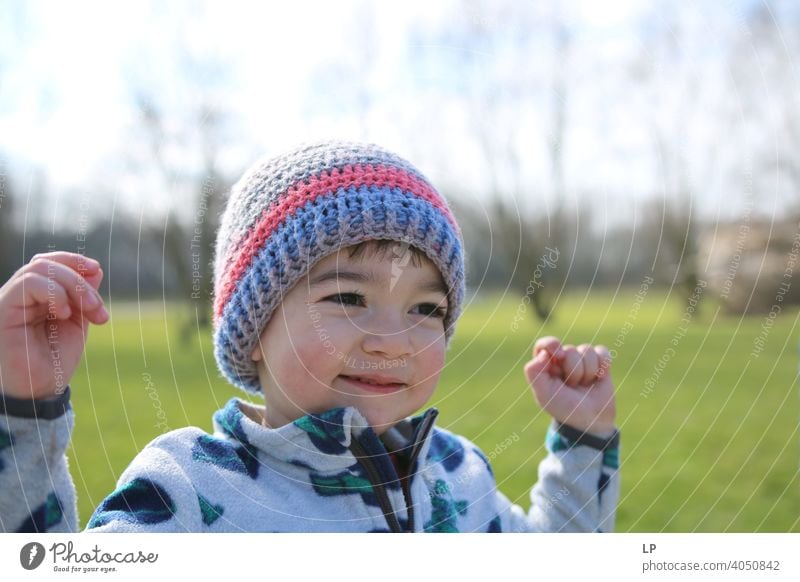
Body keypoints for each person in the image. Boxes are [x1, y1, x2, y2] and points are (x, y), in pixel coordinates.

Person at [0, 141, 619, 533]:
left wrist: (585, 441)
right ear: (255, 329)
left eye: (427, 309)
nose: (392, 340)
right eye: (348, 297)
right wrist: (25, 410)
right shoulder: (190, 491)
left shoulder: (457, 476)